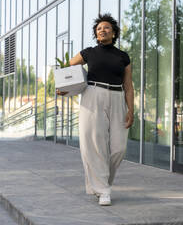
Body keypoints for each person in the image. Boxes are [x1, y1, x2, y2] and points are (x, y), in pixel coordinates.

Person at [57, 13, 134, 206]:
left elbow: (129, 86)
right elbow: (68, 70)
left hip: (117, 97)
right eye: (99, 29)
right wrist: (63, 88)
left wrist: (131, 110)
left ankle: (101, 183)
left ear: (114, 33)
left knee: (118, 148)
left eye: (106, 27)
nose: (102, 30)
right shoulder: (89, 53)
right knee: (94, 144)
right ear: (96, 34)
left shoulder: (123, 57)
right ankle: (103, 190)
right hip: (93, 95)